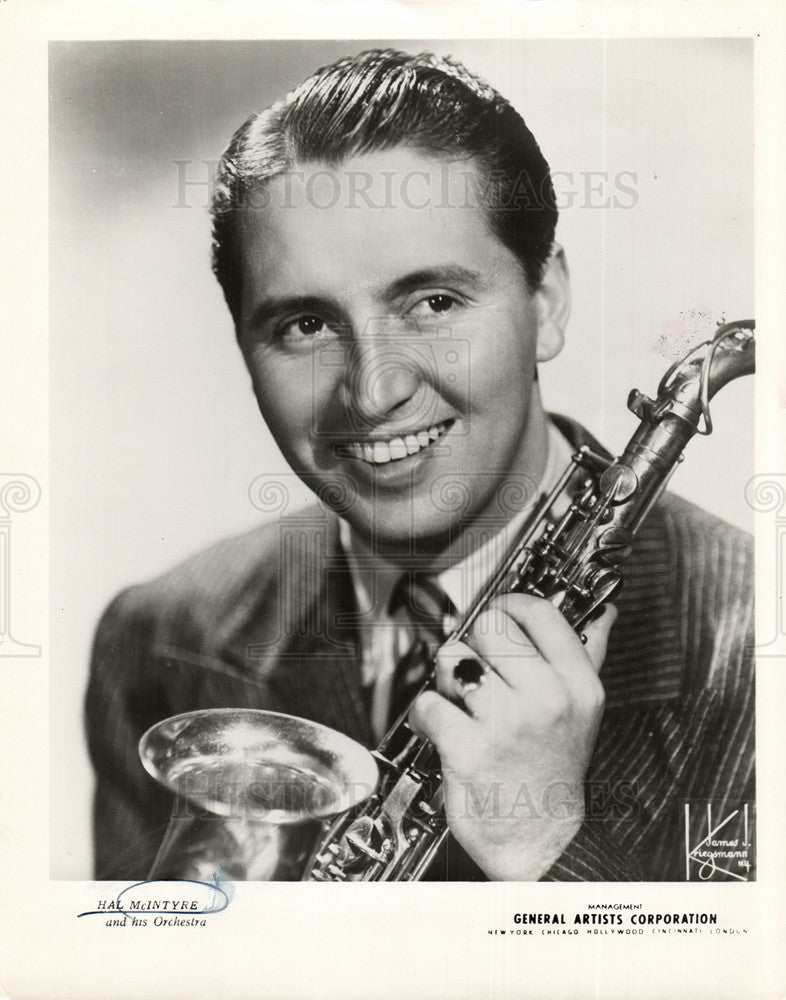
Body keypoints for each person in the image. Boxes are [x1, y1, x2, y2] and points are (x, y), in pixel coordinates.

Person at [86, 48, 754, 882]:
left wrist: (543, 850)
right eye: (304, 324)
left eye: (433, 302)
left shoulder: (755, 644)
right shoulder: (156, 642)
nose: (373, 391)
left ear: (546, 303)